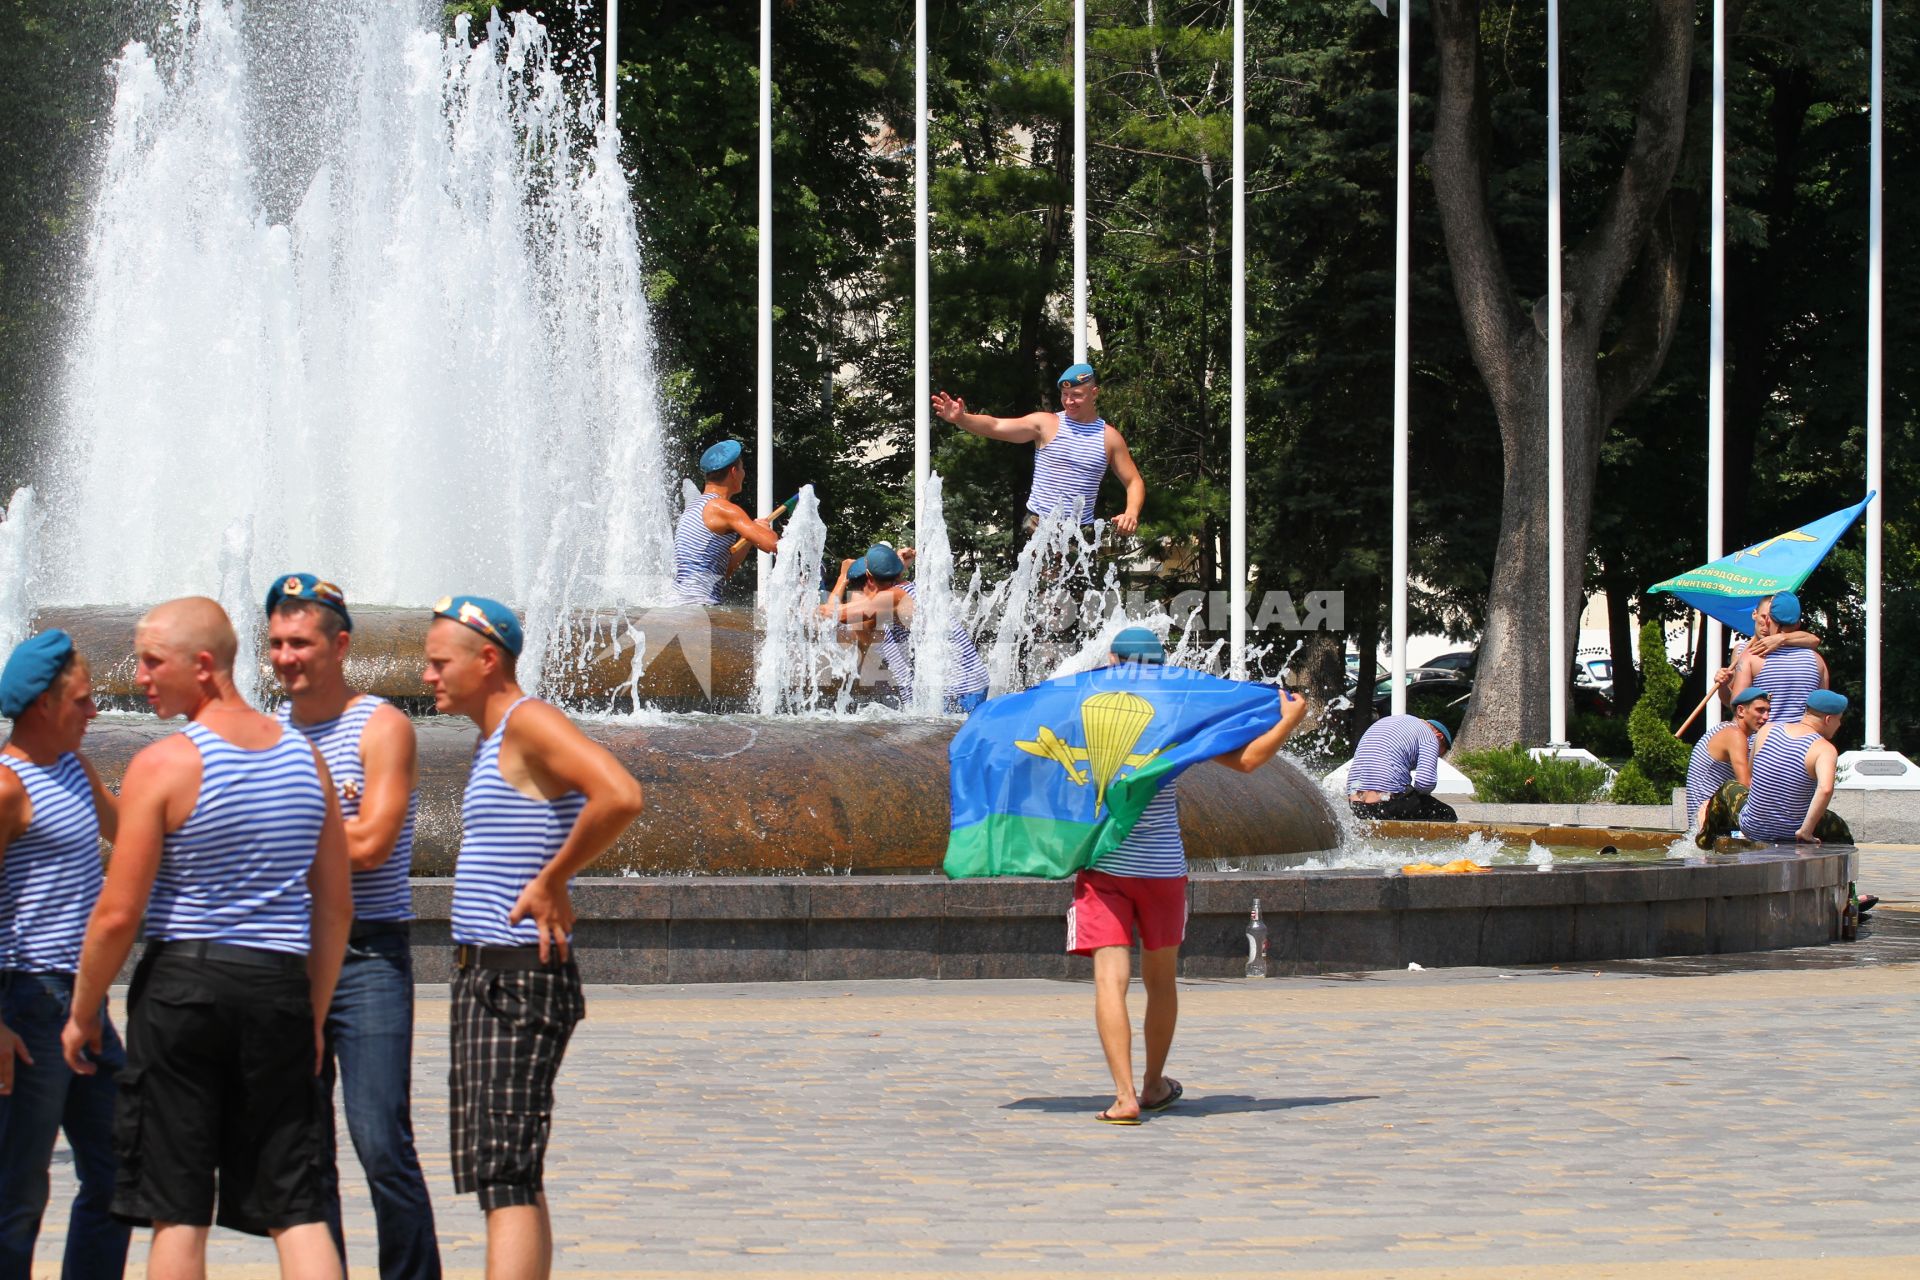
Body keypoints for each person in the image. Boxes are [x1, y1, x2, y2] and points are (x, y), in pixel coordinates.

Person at [61, 597, 351, 1279]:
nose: (140, 677)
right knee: (297, 1207)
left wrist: (82, 1011)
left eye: (152, 661)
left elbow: (117, 912)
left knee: (178, 1210)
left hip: (184, 990)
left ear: (203, 665)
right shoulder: (307, 763)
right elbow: (334, 907)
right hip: (278, 984)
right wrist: (311, 1012)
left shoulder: (164, 764)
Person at [421, 596, 644, 1279]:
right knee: (506, 1171)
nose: (427, 675)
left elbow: (620, 793)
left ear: (487, 660)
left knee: (505, 1174)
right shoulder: (499, 737)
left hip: (514, 976)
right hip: (491, 974)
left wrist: (553, 879)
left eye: (439, 663)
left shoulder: (528, 721)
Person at [265, 575, 440, 1280]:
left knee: (379, 1140)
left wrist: (286, 831)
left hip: (368, 953)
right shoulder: (269, 732)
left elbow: (373, 845)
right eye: (276, 643)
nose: (286, 657)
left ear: (339, 645)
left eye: (300, 642)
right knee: (301, 1146)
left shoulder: (382, 726)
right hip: (288, 957)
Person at [1072, 627, 1308, 1124]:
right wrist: (1289, 719)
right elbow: (1245, 761)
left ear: (1113, 659)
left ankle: (1123, 1097)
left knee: (1109, 981)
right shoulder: (1178, 717)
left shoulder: (1081, 710)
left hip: (1104, 867)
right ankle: (1154, 1083)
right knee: (1161, 982)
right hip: (1162, 869)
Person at [0, 630, 128, 1278]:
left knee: (119, 1170)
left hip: (85, 1006)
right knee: (17, 1197)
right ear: (44, 706)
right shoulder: (6, 788)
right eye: (82, 700)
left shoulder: (73, 769)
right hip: (28, 1005)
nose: (94, 712)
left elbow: (131, 827)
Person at [931, 363, 1146, 537]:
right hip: (1039, 525)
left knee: (1079, 592)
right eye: (1065, 394)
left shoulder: (1109, 438)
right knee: (1038, 591)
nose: (1069, 401)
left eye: (1077, 395)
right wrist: (962, 418)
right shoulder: (1046, 424)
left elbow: (1133, 481)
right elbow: (996, 426)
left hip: (1080, 533)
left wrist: (1131, 513)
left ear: (1094, 393)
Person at [821, 544, 990, 713]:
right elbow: (843, 626)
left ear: (870, 581)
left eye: (858, 592)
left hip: (956, 691)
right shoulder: (910, 592)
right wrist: (895, 561)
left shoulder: (894, 597)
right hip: (967, 685)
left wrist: (843, 578)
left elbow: (835, 613)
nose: (857, 601)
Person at [1696, 689, 1854, 848]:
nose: (1839, 725)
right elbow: (1825, 789)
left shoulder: (1767, 730)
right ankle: (1842, 863)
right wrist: (1805, 831)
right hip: (1793, 831)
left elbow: (1752, 777)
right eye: (1839, 720)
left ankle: (1705, 838)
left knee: (1728, 787)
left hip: (1753, 827)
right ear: (1828, 719)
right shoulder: (1824, 749)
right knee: (1835, 823)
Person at [671, 440, 780, 604]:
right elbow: (773, 544)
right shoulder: (722, 508)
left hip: (682, 605)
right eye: (742, 468)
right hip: (699, 607)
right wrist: (764, 531)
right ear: (734, 471)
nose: (744, 474)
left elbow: (723, 571)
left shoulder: (695, 507)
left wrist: (750, 537)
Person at [1727, 592, 1827, 725]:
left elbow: (1738, 707)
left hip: (1763, 741)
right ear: (1797, 624)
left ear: (1769, 620)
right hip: (1805, 742)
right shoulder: (1818, 661)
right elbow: (1822, 710)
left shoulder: (1752, 656)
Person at [1684, 688, 1769, 834]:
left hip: (1711, 821)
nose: (1766, 717)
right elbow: (1746, 785)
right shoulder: (1734, 735)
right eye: (1760, 710)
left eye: (1768, 711)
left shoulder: (1734, 733)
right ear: (1741, 711)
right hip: (1708, 824)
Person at [1346, 715, 1457, 822]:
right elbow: (1425, 782)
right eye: (1437, 754)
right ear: (1440, 737)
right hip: (1384, 802)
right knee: (1447, 814)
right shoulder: (1430, 736)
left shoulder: (1388, 722)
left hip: (1355, 803)